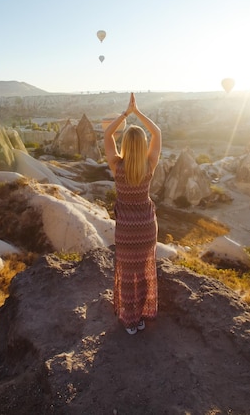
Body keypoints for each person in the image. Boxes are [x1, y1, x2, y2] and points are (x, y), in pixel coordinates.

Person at [104, 93, 162, 335]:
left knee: (128, 273)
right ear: (142, 146)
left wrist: (125, 114)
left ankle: (130, 320)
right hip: (147, 226)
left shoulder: (117, 166)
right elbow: (157, 134)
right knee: (145, 270)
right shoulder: (149, 165)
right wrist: (138, 113)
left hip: (126, 227)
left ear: (125, 145)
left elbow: (107, 135)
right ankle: (142, 316)